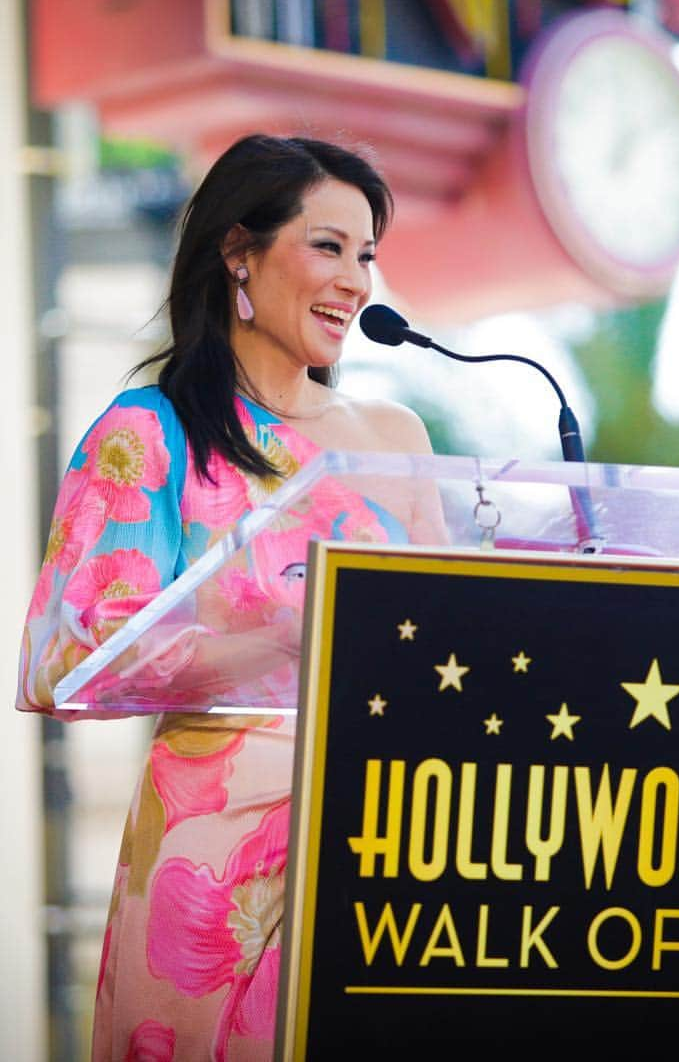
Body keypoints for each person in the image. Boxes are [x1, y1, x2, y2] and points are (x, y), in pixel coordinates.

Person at [17, 134, 447, 1060]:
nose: (357, 280)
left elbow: (449, 631)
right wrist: (279, 633)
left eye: (366, 254)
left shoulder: (392, 437)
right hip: (216, 874)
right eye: (328, 246)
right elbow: (65, 660)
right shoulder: (153, 431)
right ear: (239, 252)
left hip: (385, 838)